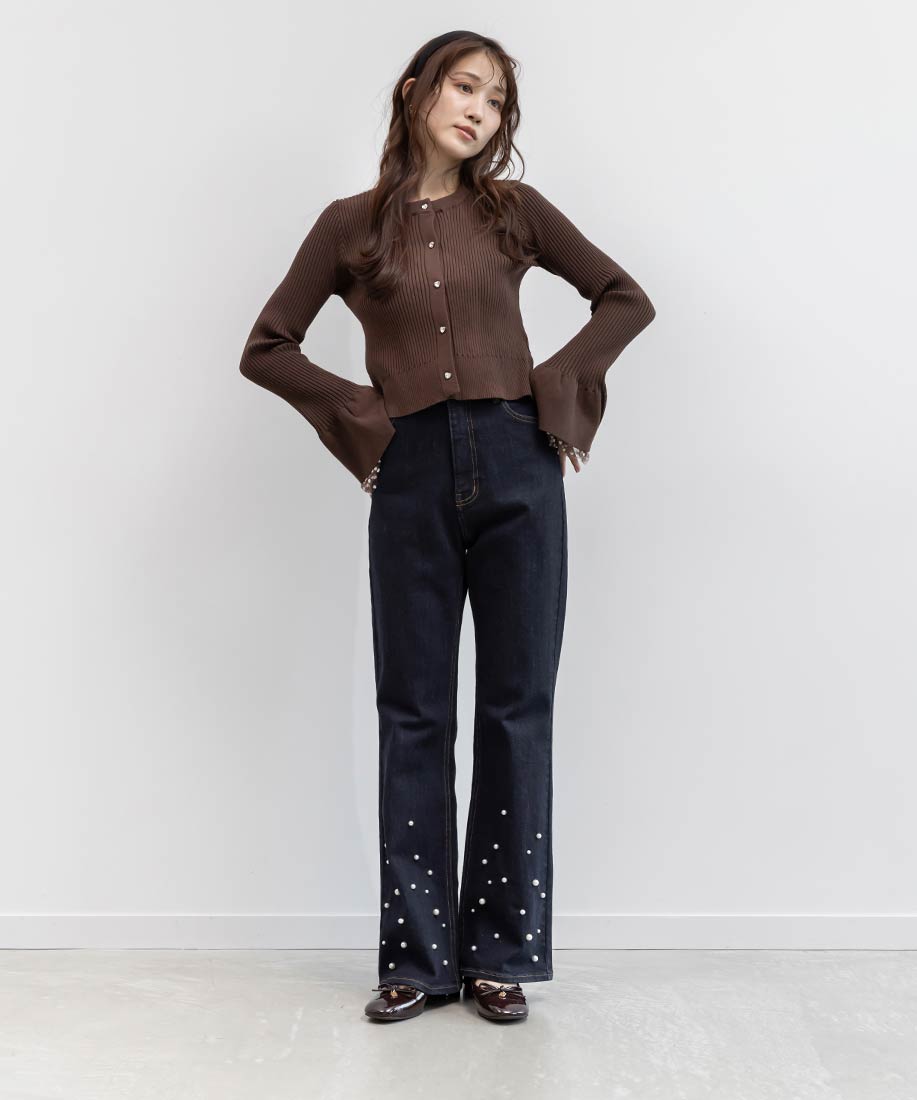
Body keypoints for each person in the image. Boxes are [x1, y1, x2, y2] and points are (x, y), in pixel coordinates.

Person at [239, 29, 656, 1024]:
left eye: (496, 100)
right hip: (411, 473)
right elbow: (267, 346)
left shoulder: (513, 212)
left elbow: (623, 298)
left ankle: (498, 955)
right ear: (415, 90)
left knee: (516, 708)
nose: (479, 110)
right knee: (413, 712)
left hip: (518, 467)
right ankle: (417, 959)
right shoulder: (348, 226)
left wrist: (557, 386)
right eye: (465, 87)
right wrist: (361, 417)